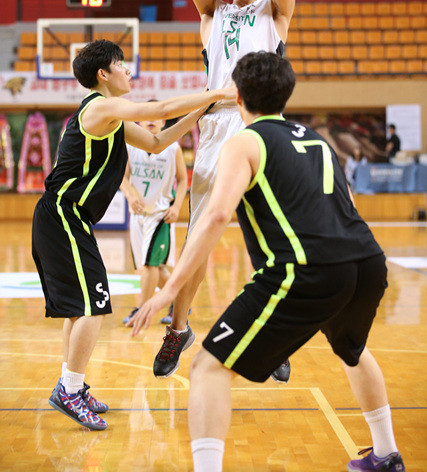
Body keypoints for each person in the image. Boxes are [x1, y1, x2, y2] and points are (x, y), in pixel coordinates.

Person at [132, 52, 405, 472]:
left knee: (208, 366)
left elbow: (217, 216)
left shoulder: (243, 141)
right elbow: (349, 206)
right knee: (351, 348)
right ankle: (386, 454)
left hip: (306, 269)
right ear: (287, 94)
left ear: (236, 95)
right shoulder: (318, 139)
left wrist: (170, 291)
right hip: (366, 260)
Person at [31, 39, 235, 431]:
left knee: (80, 307)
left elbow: (158, 142)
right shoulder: (101, 107)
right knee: (94, 304)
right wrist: (220, 91)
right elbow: (158, 111)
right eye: (121, 65)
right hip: (62, 215)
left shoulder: (110, 119)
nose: (129, 71)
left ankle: (73, 383)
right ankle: (69, 390)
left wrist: (200, 111)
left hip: (66, 219)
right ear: (103, 75)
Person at [142, 0, 295, 383]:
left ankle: (270, 337)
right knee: (196, 244)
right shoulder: (213, 15)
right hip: (215, 128)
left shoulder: (276, 11)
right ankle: (178, 329)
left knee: (270, 243)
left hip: (263, 126)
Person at [120, 112, 187, 326]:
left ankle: (141, 310)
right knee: (155, 269)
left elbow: (184, 179)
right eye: (146, 117)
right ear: (138, 122)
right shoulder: (131, 147)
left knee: (149, 265)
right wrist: (130, 195)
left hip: (160, 215)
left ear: (163, 122)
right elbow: (122, 177)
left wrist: (177, 206)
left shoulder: (172, 148)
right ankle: (181, 302)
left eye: (156, 117)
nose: (151, 120)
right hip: (137, 215)